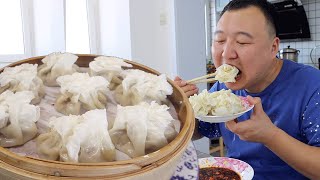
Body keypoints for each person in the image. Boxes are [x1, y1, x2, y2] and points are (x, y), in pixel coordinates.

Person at [174, 0, 320, 179]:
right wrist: (180, 110)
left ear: (273, 47)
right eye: (220, 40)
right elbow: (200, 130)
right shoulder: (224, 88)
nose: (227, 54)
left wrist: (270, 136)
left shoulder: (312, 86)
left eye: (242, 42)